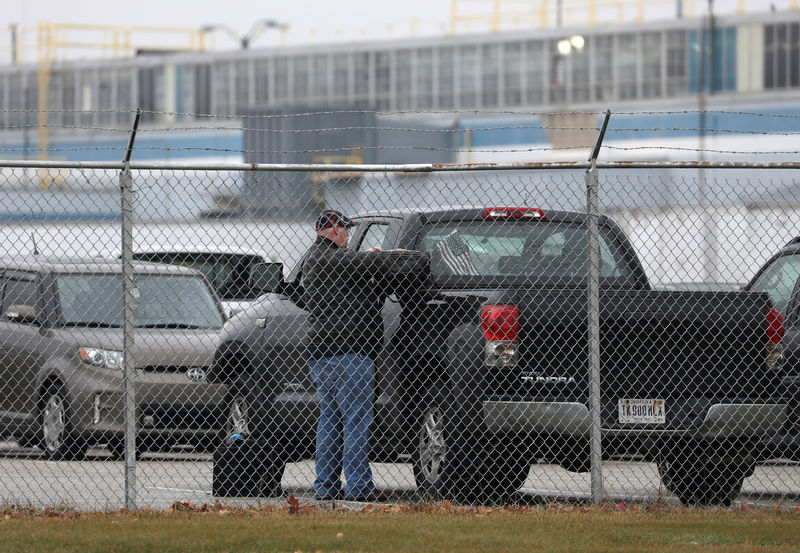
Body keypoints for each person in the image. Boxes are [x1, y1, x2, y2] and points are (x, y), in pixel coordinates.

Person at [303, 208, 395, 501]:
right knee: (356, 420)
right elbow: (360, 262)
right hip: (348, 354)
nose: (348, 235)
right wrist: (377, 254)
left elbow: (351, 269)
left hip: (322, 355)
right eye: (345, 230)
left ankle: (326, 486)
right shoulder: (328, 258)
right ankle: (358, 488)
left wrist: (368, 257)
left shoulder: (317, 259)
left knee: (330, 421)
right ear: (331, 231)